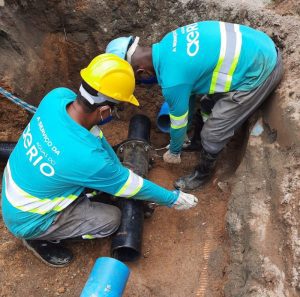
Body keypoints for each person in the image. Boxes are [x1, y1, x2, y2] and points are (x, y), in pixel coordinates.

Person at [1, 53, 198, 267]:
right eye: (117, 107)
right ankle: (41, 239)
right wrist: (172, 198)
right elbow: (132, 187)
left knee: (93, 182)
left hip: (16, 192)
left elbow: (94, 135)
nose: (116, 112)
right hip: (30, 219)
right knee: (111, 220)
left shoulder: (57, 97)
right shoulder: (86, 158)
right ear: (104, 110)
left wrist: (114, 167)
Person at [106, 20, 284, 191]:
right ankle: (197, 142)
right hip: (258, 47)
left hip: (261, 72)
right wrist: (185, 129)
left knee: (212, 134)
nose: (141, 83)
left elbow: (178, 122)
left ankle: (203, 173)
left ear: (141, 71)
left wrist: (174, 151)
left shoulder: (173, 81)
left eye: (138, 81)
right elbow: (189, 97)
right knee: (206, 104)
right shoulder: (169, 41)